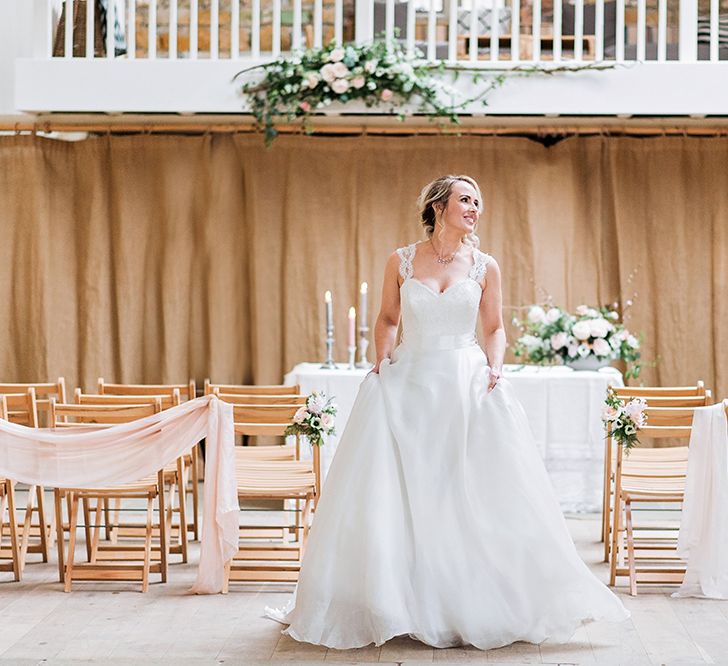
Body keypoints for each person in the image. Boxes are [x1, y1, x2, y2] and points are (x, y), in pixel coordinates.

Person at [266, 174, 630, 650]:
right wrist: (382, 359)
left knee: (466, 490)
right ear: (439, 206)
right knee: (402, 492)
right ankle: (398, 601)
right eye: (465, 200)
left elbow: (494, 326)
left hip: (465, 381)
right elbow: (388, 320)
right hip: (411, 381)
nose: (475, 208)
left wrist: (495, 366)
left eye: (478, 201)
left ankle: (471, 600)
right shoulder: (400, 259)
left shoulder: (485, 266)